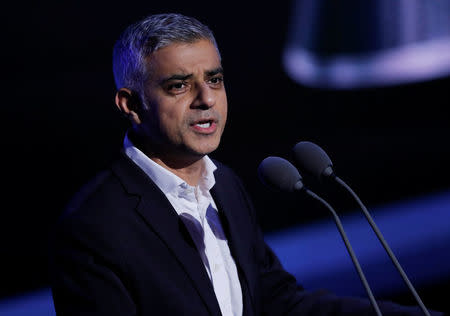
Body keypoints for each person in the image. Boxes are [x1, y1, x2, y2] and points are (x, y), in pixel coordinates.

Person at [49, 13, 446, 316]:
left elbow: (277, 301)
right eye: (179, 85)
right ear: (131, 105)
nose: (206, 99)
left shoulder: (227, 187)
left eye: (215, 79)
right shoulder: (95, 228)